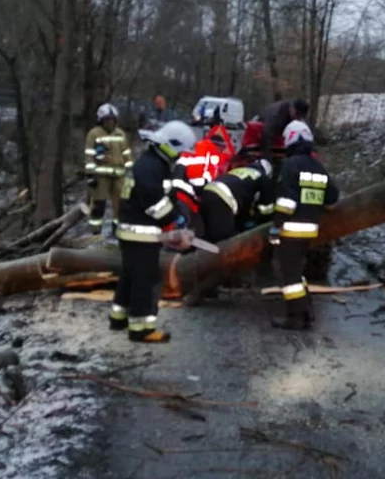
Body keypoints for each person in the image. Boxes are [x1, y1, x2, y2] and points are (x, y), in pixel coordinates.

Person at [111, 120, 197, 343]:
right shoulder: (151, 168)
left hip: (133, 231)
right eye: (180, 152)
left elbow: (167, 195)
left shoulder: (153, 163)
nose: (181, 156)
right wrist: (173, 221)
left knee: (130, 275)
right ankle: (141, 328)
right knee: (146, 279)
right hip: (141, 233)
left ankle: (118, 317)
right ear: (171, 145)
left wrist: (179, 213)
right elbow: (155, 205)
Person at [269, 120, 339, 330]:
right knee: (296, 272)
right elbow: (332, 198)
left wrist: (276, 227)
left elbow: (286, 202)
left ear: (289, 140)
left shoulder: (291, 165)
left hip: (290, 229)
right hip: (310, 231)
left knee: (288, 276)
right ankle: (306, 311)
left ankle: (295, 318)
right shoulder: (318, 167)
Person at [84, 103, 132, 234]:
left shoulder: (120, 134)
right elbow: (89, 155)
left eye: (112, 119)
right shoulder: (94, 134)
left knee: (121, 204)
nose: (110, 122)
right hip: (101, 177)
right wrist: (90, 175)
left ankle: (117, 230)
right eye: (107, 120)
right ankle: (95, 231)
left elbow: (126, 153)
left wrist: (130, 171)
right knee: (98, 204)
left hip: (119, 175)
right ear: (101, 120)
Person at [200, 158, 275, 243]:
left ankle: (195, 247)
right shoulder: (262, 176)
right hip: (223, 196)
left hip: (207, 191)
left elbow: (242, 196)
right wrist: (264, 221)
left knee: (212, 233)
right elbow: (266, 206)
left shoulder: (240, 171)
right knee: (225, 238)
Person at [257, 98, 309, 167]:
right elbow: (266, 137)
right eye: (297, 115)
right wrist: (268, 162)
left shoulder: (295, 115)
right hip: (266, 128)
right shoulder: (277, 116)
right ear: (292, 109)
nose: (298, 119)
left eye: (301, 117)